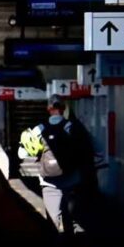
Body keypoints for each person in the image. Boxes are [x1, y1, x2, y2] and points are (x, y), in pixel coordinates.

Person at [19, 96, 92, 236]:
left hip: (49, 181)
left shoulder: (40, 128)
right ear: (64, 108)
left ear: (48, 109)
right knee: (70, 217)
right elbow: (91, 150)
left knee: (52, 221)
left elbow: (22, 153)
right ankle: (70, 246)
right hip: (72, 179)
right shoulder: (73, 126)